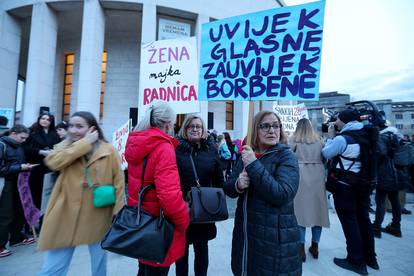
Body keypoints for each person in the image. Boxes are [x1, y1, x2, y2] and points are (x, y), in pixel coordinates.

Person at [37, 111, 125, 276]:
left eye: (79, 126)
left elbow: (119, 182)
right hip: (64, 214)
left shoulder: (108, 150)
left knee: (99, 266)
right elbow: (54, 162)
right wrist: (84, 143)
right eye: (71, 126)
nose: (73, 130)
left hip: (98, 214)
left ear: (92, 128)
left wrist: (118, 212)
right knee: (52, 269)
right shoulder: (63, 146)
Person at [224, 110, 301, 276]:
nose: (271, 130)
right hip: (246, 235)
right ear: (255, 131)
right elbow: (228, 188)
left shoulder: (286, 156)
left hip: (273, 240)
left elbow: (282, 194)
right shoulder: (247, 153)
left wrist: (253, 164)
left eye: (275, 126)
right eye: (265, 126)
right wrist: (238, 184)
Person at [125, 100, 189, 276]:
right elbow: (169, 197)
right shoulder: (163, 147)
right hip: (158, 228)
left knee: (144, 269)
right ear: (168, 124)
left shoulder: (137, 143)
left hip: (140, 224)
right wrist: (183, 220)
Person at [322, 108, 378, 275]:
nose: (335, 122)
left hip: (345, 186)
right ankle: (370, 258)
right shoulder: (366, 134)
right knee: (364, 220)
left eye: (338, 119)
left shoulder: (342, 138)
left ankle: (355, 260)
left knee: (350, 222)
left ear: (344, 120)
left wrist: (331, 137)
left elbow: (325, 153)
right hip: (363, 184)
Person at [175, 115, 224, 276]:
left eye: (198, 126)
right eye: (191, 126)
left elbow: (218, 182)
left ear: (203, 130)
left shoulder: (212, 151)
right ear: (185, 129)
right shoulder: (176, 150)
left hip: (204, 210)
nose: (195, 129)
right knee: (181, 252)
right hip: (183, 209)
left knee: (202, 250)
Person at [289, 118, 329, 262]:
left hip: (300, 177)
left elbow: (288, 158)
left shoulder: (293, 140)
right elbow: (325, 159)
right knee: (318, 212)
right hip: (317, 176)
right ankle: (315, 246)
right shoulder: (319, 140)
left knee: (301, 213)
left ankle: (300, 248)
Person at [0, 125, 36, 258]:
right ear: (13, 133)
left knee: (18, 211)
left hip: (19, 184)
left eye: (26, 138)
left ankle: (16, 238)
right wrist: (20, 167)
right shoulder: (2, 145)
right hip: (6, 184)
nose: (24, 141)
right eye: (22, 138)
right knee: (5, 215)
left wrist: (25, 167)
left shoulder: (19, 146)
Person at [23, 112, 60, 212]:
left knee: (45, 195)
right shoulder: (31, 131)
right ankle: (31, 221)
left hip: (49, 167)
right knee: (34, 193)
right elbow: (24, 148)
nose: (45, 121)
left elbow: (58, 146)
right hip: (35, 167)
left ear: (51, 122)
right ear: (39, 119)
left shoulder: (55, 134)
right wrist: (40, 151)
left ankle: (43, 216)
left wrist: (54, 151)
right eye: (43, 118)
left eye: (48, 119)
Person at [372, 125, 403, 238]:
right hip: (397, 174)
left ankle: (376, 228)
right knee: (395, 201)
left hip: (384, 175)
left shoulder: (382, 138)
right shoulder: (396, 137)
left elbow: (380, 156)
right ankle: (396, 226)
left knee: (380, 202)